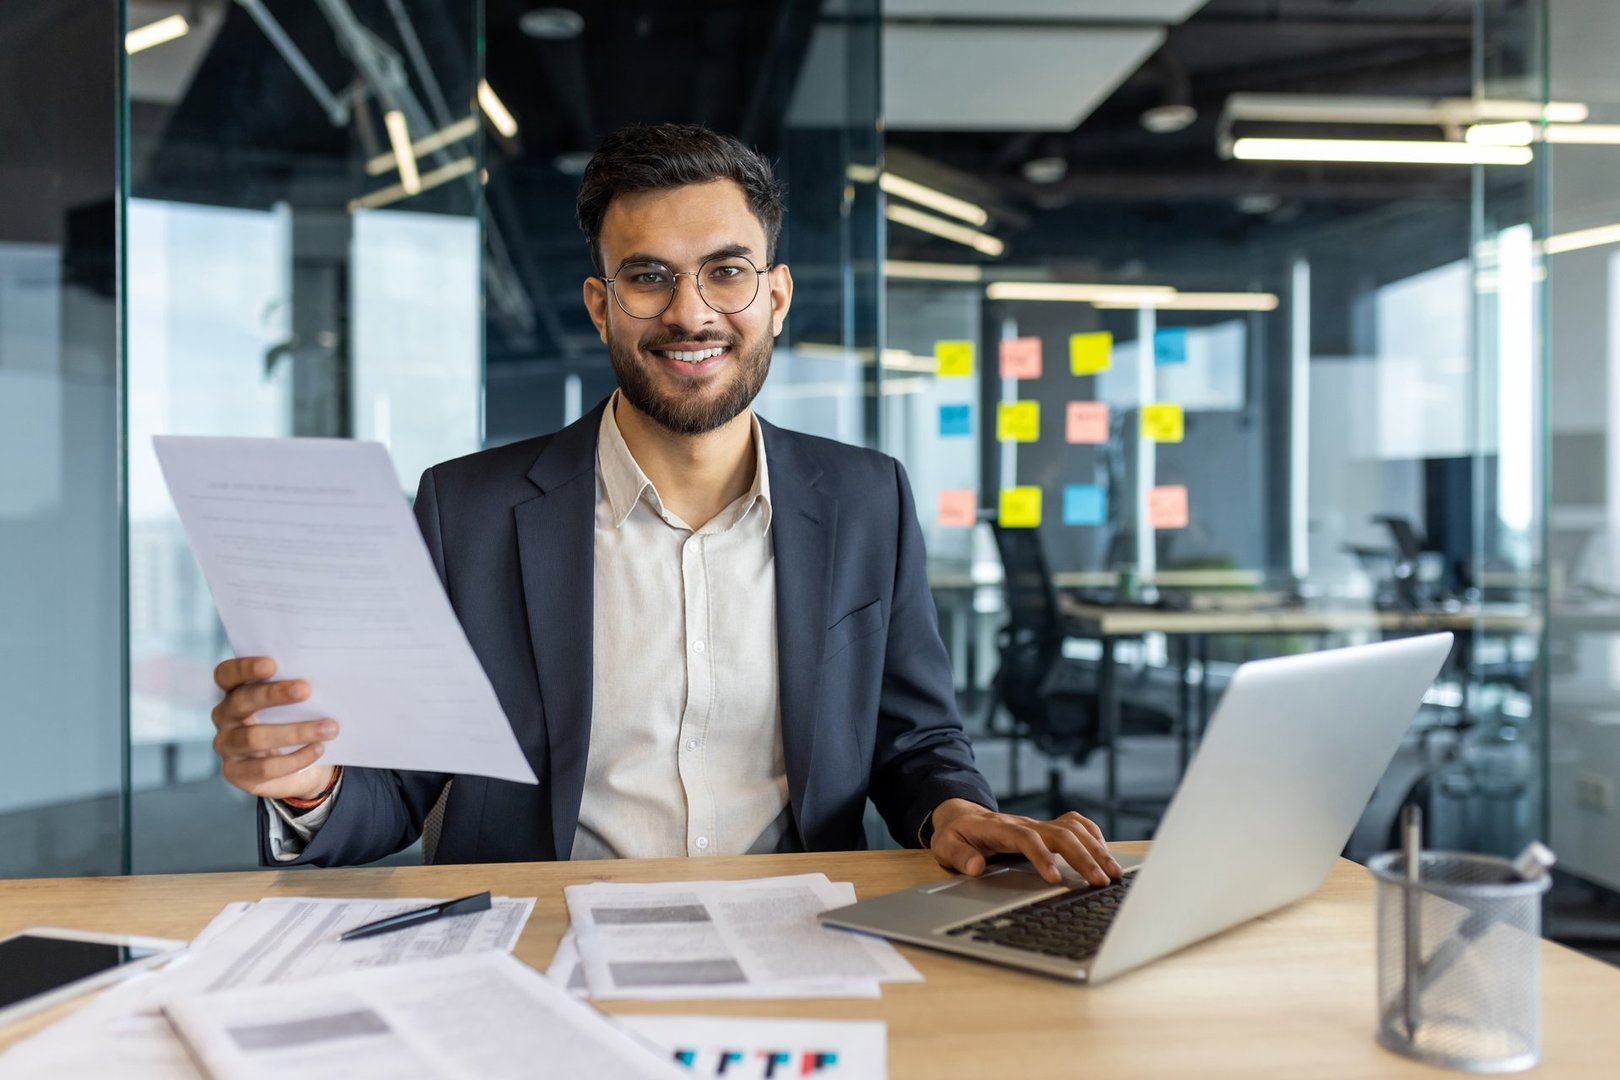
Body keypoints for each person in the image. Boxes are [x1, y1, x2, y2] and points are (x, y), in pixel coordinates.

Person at [209, 123, 1121, 887]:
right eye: (649, 278)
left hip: (807, 938)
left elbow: (914, 739)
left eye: (726, 272)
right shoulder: (466, 511)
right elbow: (396, 786)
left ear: (776, 296)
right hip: (540, 951)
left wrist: (953, 811)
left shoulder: (865, 497)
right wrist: (308, 781)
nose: (691, 313)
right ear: (603, 307)